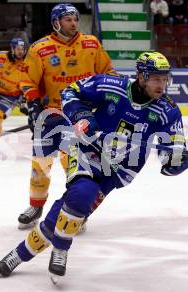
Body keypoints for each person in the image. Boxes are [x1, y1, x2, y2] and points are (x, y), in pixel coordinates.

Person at [0, 51, 188, 280]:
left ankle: (18, 255)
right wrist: (82, 116)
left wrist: (176, 160)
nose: (162, 84)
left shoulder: (168, 110)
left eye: (164, 78)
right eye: (156, 78)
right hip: (89, 150)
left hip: (119, 169)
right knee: (81, 193)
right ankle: (61, 247)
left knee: (68, 211)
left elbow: (173, 145)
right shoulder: (111, 85)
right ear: (141, 76)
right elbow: (71, 92)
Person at [17, 3, 115, 229]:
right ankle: (36, 206)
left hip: (81, 114)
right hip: (51, 115)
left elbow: (108, 73)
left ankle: (77, 211)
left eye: (75, 19)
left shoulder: (91, 44)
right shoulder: (40, 48)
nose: (73, 23)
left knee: (77, 166)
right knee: (40, 166)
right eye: (68, 19)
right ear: (56, 23)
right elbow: (28, 81)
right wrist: (33, 105)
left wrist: (112, 97)